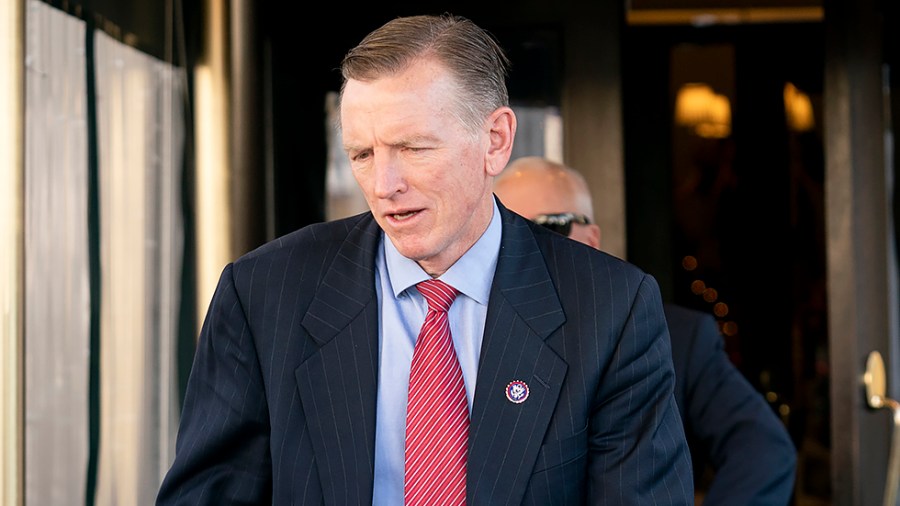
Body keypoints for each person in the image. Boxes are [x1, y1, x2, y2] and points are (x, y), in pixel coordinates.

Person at [156, 14, 693, 505]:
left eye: (412, 148)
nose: (384, 185)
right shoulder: (263, 293)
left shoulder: (610, 309)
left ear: (496, 140)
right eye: (363, 155)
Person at [494, 155, 798, 505]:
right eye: (513, 231)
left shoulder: (678, 335)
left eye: (550, 227)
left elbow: (763, 450)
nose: (533, 246)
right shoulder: (470, 336)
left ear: (592, 238)